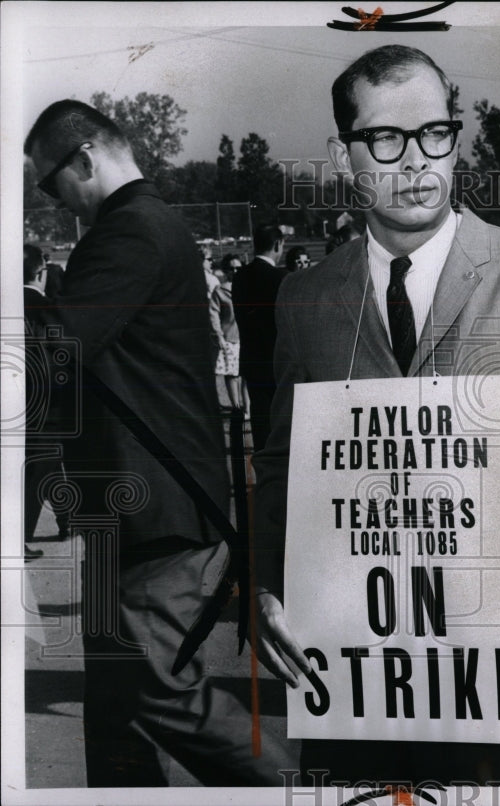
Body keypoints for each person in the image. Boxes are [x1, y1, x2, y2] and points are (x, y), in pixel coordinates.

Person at [252, 44, 500, 784]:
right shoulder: (304, 300)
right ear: (343, 154)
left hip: (490, 676)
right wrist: (266, 583)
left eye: (435, 134)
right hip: (350, 676)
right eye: (385, 140)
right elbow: (279, 466)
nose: (416, 161)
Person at [24, 99, 294, 786]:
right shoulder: (145, 227)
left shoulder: (131, 232)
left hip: (155, 515)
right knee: (117, 712)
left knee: (159, 692)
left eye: (49, 184)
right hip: (134, 510)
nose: (53, 203)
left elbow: (56, 351)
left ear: (83, 159)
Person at [22, 244, 72, 557]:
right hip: (46, 400)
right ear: (41, 272)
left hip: (20, 399)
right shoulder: (45, 309)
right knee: (40, 466)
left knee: (48, 463)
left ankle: (66, 518)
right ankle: (18, 534)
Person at [231, 223, 287, 450]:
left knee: (261, 423)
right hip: (277, 361)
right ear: (277, 244)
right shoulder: (281, 278)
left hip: (252, 359)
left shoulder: (240, 277)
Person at [210, 253, 248, 411]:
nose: (235, 271)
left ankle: (248, 408)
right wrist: (219, 336)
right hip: (230, 339)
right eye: (231, 268)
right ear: (226, 271)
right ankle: (236, 406)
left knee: (245, 375)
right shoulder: (219, 292)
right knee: (232, 374)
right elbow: (213, 315)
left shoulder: (248, 287)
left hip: (247, 337)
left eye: (238, 268)